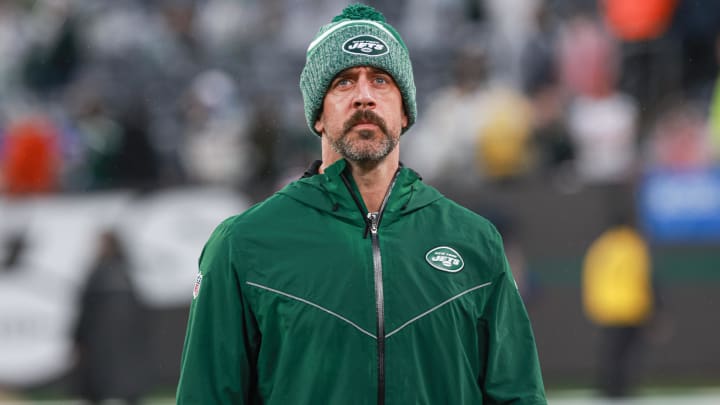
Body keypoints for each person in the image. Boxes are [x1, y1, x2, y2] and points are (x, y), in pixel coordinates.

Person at [176, 4, 546, 404]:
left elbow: (518, 396)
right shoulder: (241, 246)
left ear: (405, 111)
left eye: (382, 80)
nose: (364, 97)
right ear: (317, 113)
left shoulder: (475, 242)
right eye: (344, 82)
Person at [582, 209, 656, 398]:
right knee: (628, 352)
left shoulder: (601, 246)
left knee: (610, 350)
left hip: (606, 307)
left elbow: (592, 276)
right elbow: (643, 276)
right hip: (631, 306)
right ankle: (622, 388)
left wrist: (594, 303)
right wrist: (654, 306)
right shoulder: (633, 244)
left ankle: (608, 387)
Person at [73, 230, 147, 404]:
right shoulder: (126, 274)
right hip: (116, 346)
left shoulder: (100, 273)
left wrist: (78, 338)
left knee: (101, 384)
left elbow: (86, 310)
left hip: (102, 346)